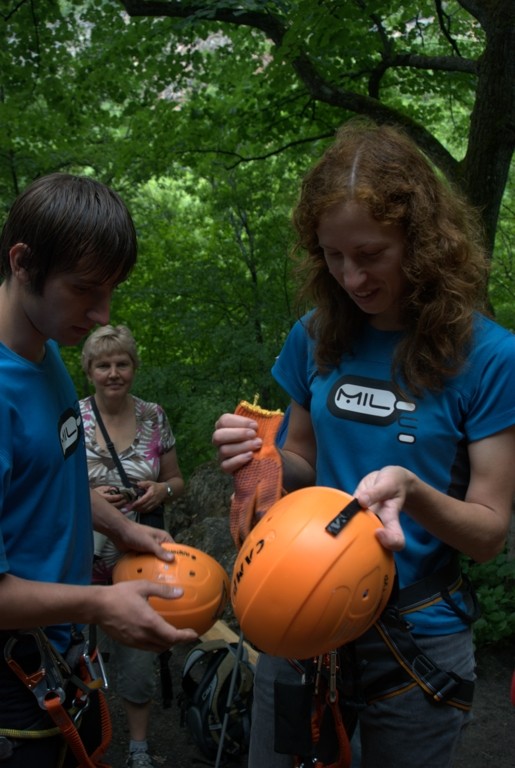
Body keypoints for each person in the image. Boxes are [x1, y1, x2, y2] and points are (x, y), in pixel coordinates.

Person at [212, 121, 515, 768]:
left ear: (422, 241)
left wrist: (410, 490)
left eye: (371, 253)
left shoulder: (488, 357)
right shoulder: (315, 335)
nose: (351, 276)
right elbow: (302, 462)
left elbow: (488, 533)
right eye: (333, 255)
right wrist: (260, 459)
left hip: (414, 637)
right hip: (296, 610)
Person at [0, 173, 197, 768]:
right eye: (85, 289)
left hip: (58, 656)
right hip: (12, 687)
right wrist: (98, 604)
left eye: (111, 290)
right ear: (23, 263)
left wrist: (122, 529)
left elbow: (52, 486)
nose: (102, 312)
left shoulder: (47, 350)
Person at [80, 323, 185, 768]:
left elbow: (176, 479)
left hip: (139, 554)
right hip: (80, 554)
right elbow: (46, 483)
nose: (113, 372)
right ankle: (80, 745)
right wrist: (86, 498)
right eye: (103, 365)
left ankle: (138, 749)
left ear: (134, 368)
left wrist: (161, 492)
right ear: (89, 371)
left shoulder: (154, 416)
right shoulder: (71, 417)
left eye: (122, 363)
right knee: (75, 650)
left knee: (137, 649)